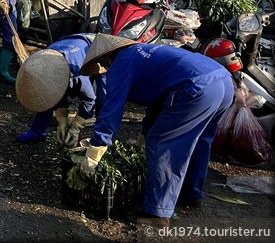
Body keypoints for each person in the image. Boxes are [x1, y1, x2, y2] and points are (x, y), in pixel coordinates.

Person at [77, 35, 234, 227]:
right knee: (200, 140)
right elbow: (158, 100)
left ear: (107, 57)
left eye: (102, 63)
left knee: (162, 143)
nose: (105, 68)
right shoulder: (143, 55)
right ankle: (191, 193)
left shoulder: (120, 63)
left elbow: (111, 110)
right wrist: (144, 132)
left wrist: (95, 150)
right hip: (224, 82)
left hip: (196, 87)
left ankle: (156, 213)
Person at [14, 34, 105, 144]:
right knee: (46, 94)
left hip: (98, 50)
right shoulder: (43, 59)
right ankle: (37, 131)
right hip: (68, 42)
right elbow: (54, 94)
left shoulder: (77, 74)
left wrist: (76, 126)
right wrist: (62, 120)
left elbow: (90, 100)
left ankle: (99, 140)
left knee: (102, 97)